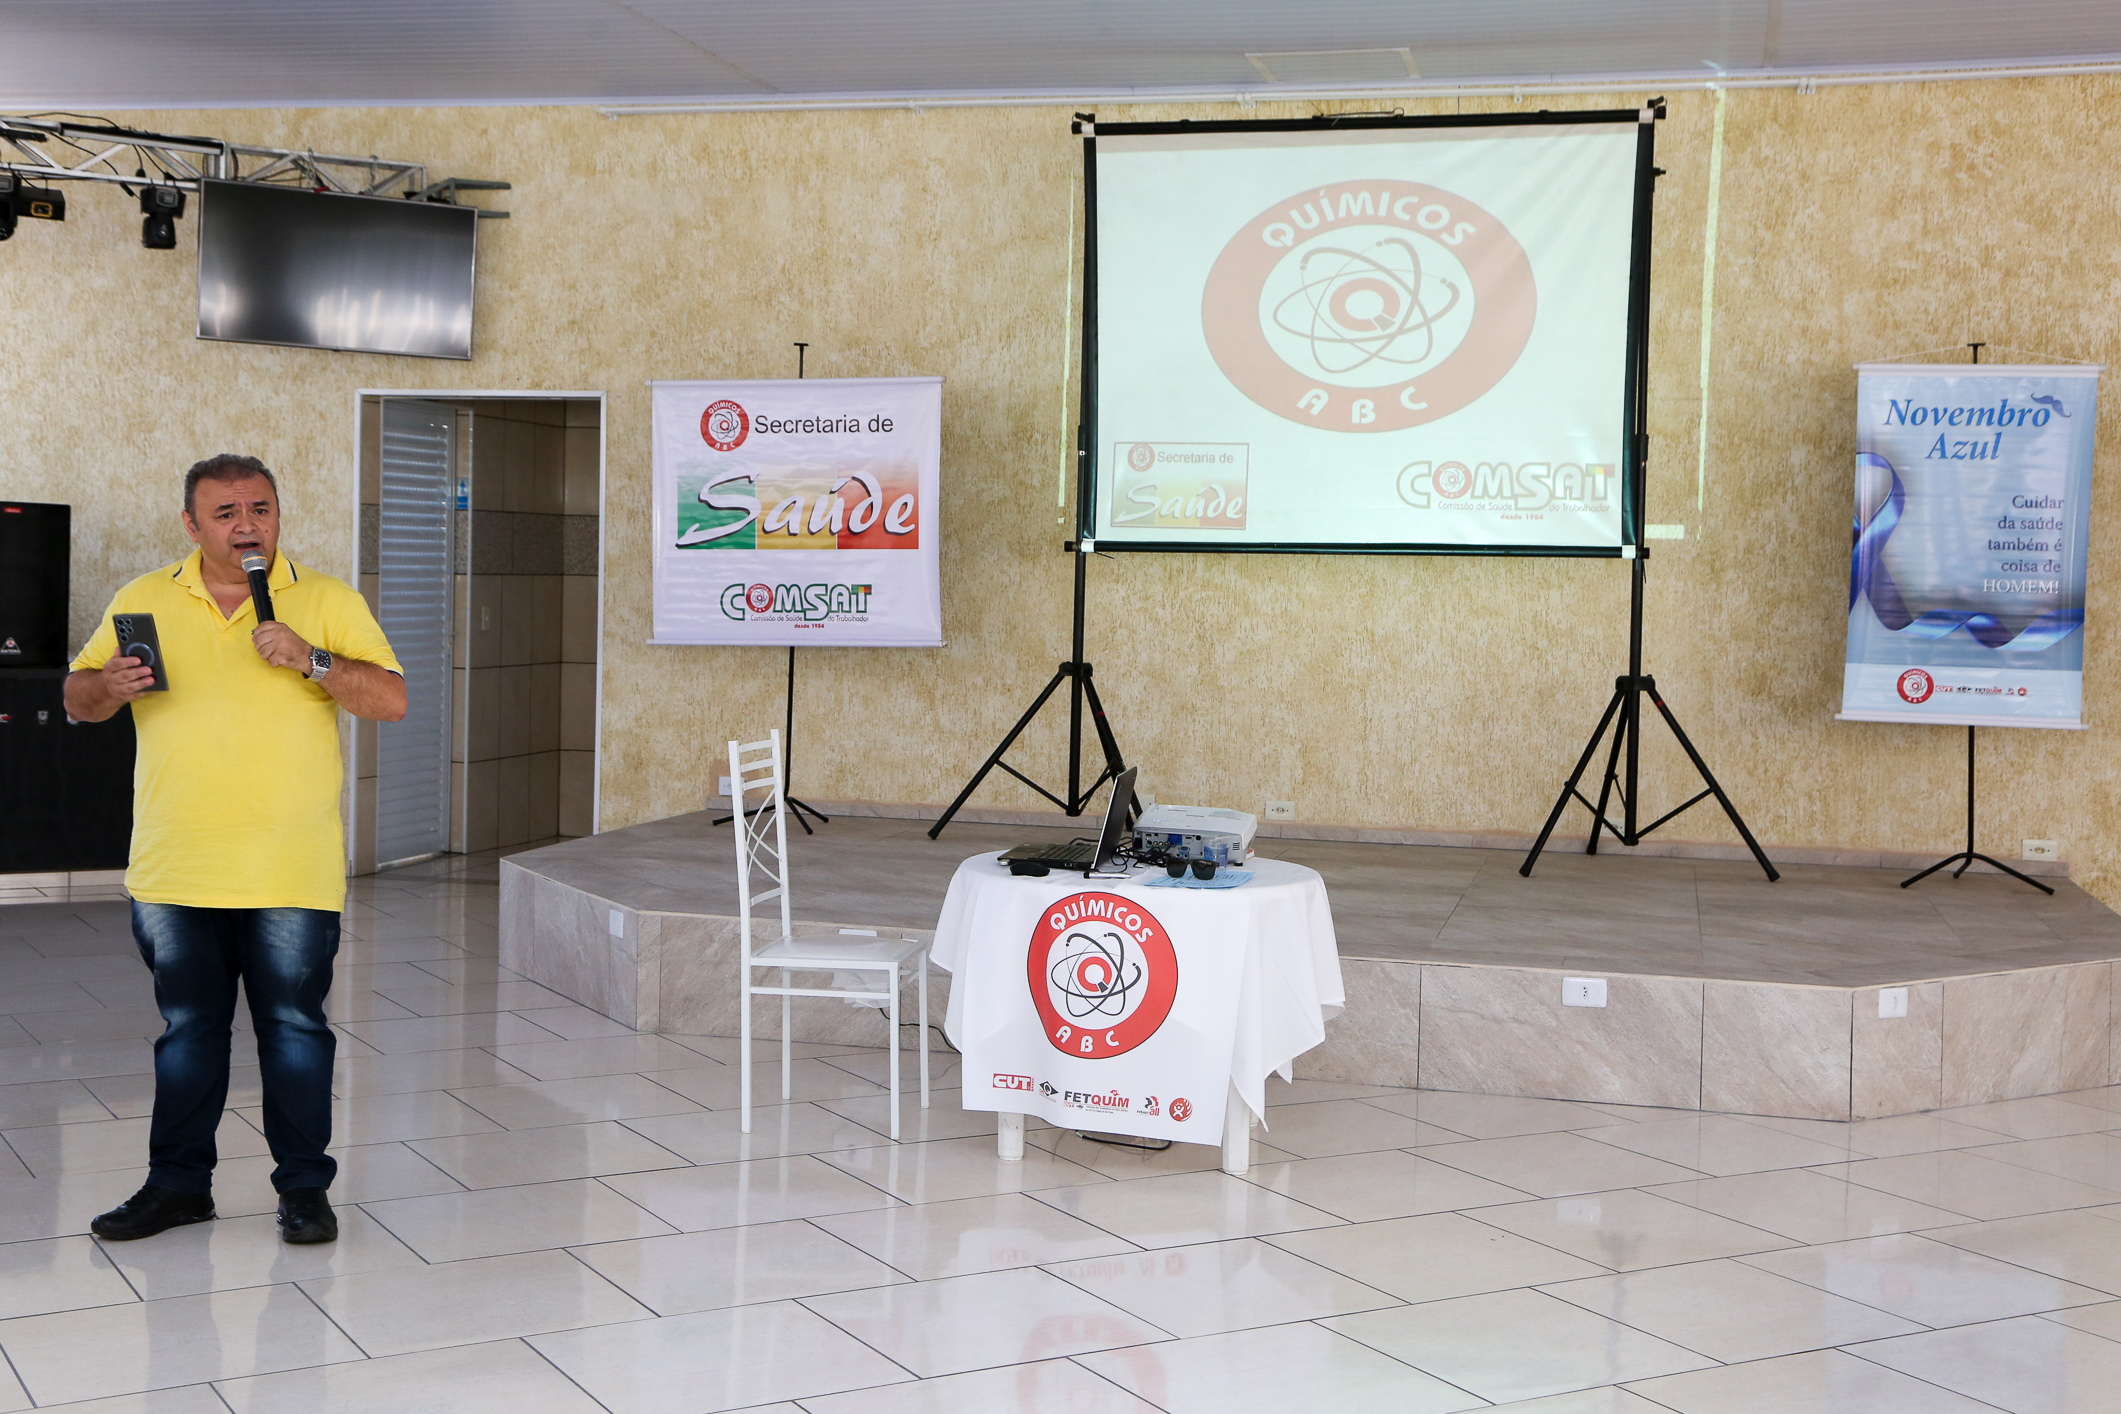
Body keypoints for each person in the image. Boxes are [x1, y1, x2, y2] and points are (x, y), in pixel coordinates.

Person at [66, 454, 406, 1244]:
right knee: (189, 1030)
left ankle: (304, 1191)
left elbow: (389, 699)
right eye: (224, 513)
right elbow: (78, 700)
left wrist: (311, 659)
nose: (245, 524)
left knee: (293, 1029)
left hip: (290, 864)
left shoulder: (324, 599)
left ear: (279, 516)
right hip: (176, 861)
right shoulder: (142, 598)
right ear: (191, 524)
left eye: (259, 508)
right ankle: (179, 1185)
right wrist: (107, 689)